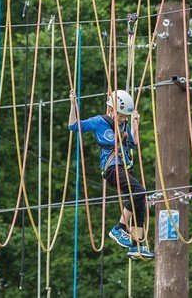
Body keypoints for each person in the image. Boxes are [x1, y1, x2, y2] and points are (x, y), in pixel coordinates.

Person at [68, 89, 154, 260]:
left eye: (125, 116)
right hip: (112, 168)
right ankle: (119, 228)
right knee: (139, 192)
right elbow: (74, 126)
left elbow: (132, 144)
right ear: (111, 109)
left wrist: (135, 125)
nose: (123, 119)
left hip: (124, 167)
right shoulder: (99, 121)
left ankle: (137, 245)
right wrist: (73, 104)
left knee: (139, 201)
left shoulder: (124, 125)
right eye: (121, 115)